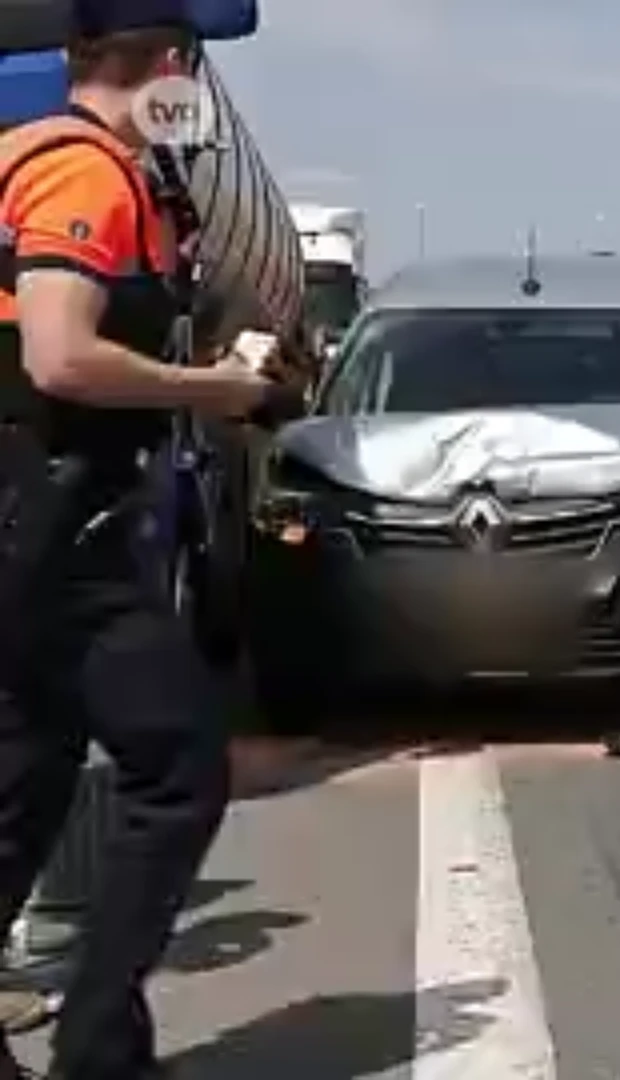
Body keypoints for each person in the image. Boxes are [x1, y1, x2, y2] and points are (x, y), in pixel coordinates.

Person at [0, 2, 282, 1075]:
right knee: (178, 769)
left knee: (26, 781)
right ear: (170, 66)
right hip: (58, 527)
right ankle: (98, 1046)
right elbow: (60, 359)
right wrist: (213, 389)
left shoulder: (38, 157)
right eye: (190, 77)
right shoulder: (85, 175)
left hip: (34, 522)